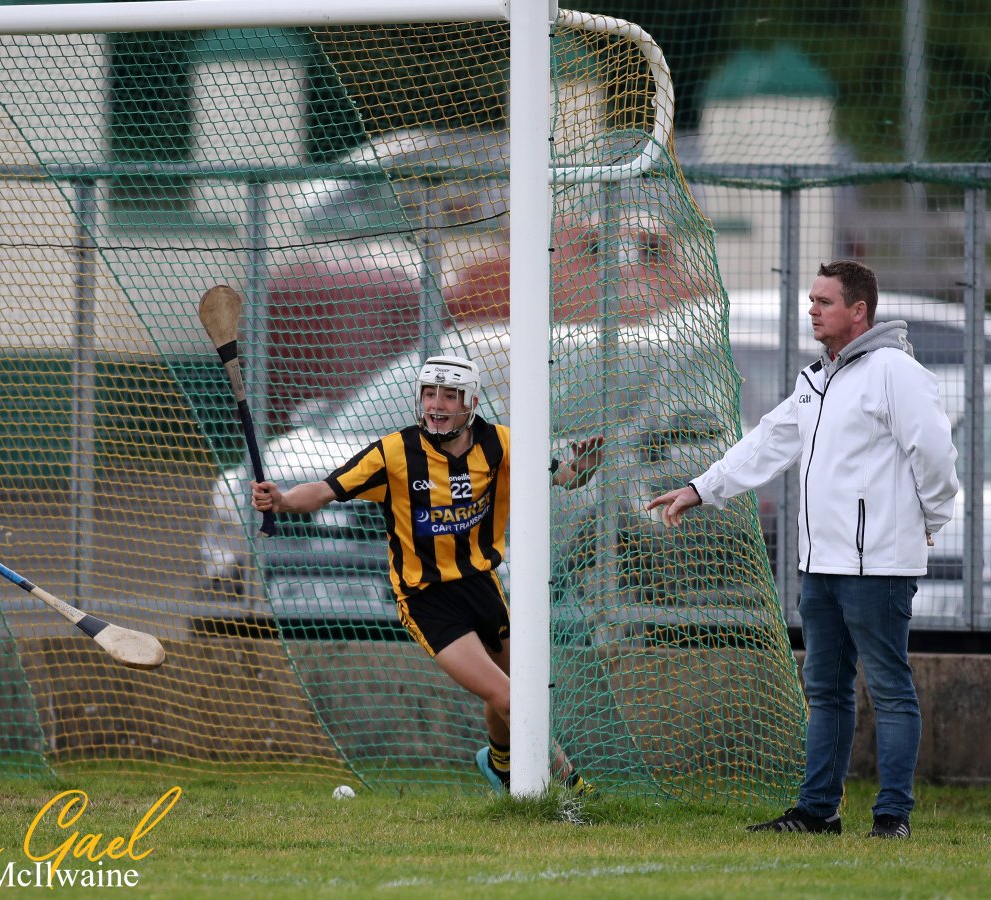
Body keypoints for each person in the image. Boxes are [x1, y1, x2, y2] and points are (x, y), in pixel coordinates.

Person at [647, 260, 958, 839]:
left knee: (889, 688)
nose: (812, 309)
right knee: (826, 691)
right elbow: (767, 441)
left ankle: (893, 817)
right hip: (818, 567)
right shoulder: (815, 378)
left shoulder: (897, 371)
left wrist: (931, 519)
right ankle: (819, 812)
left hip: (878, 568)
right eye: (811, 300)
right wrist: (699, 489)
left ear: (858, 311)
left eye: (824, 301)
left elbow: (936, 456)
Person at [252, 354, 602, 793]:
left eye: (449, 395)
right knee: (512, 697)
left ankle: (499, 765)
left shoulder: (500, 445)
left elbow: (565, 477)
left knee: (515, 690)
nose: (437, 404)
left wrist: (583, 470)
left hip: (482, 587)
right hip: (426, 598)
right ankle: (571, 785)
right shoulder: (395, 452)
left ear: (470, 402)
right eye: (430, 393)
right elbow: (323, 491)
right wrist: (281, 501)